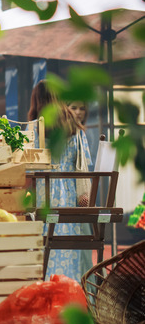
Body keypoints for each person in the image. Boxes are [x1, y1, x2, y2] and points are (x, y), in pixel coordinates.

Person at [28, 80, 93, 283]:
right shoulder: (75, 128)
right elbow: (82, 166)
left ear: (36, 101)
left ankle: (46, 289)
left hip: (42, 194)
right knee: (68, 245)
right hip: (69, 196)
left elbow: (27, 166)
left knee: (44, 245)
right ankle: (70, 291)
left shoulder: (32, 129)